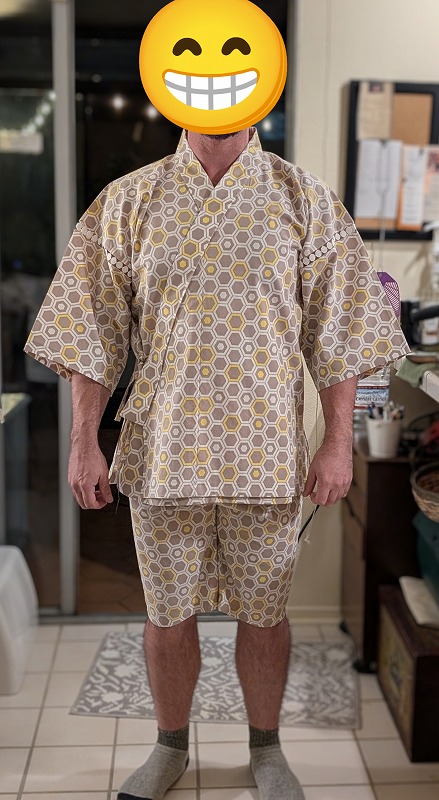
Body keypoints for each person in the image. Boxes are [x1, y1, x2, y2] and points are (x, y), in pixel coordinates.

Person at [24, 126, 411, 800]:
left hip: (266, 452)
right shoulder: (129, 199)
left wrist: (335, 442)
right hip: (162, 450)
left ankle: (266, 747)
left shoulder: (303, 197)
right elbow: (91, 330)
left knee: (264, 612)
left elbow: (343, 330)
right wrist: (84, 440)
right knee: (166, 613)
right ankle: (169, 746)